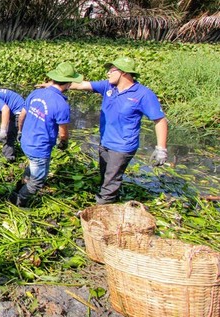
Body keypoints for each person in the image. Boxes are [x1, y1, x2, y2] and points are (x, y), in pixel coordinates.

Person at [69, 57, 168, 204]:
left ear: (124, 73)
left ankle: (101, 211)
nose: (108, 74)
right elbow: (82, 85)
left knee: (110, 183)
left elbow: (160, 120)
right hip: (105, 142)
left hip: (122, 147)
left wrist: (161, 149)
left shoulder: (143, 94)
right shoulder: (108, 87)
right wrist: (54, 85)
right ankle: (111, 201)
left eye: (111, 70)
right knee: (106, 176)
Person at [13, 63, 83, 207]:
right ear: (69, 83)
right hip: (39, 147)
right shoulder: (61, 104)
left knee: (32, 165)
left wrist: (20, 131)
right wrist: (63, 144)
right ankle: (19, 202)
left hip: (26, 141)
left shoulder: (37, 92)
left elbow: (22, 115)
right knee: (37, 181)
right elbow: (63, 133)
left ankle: (16, 190)